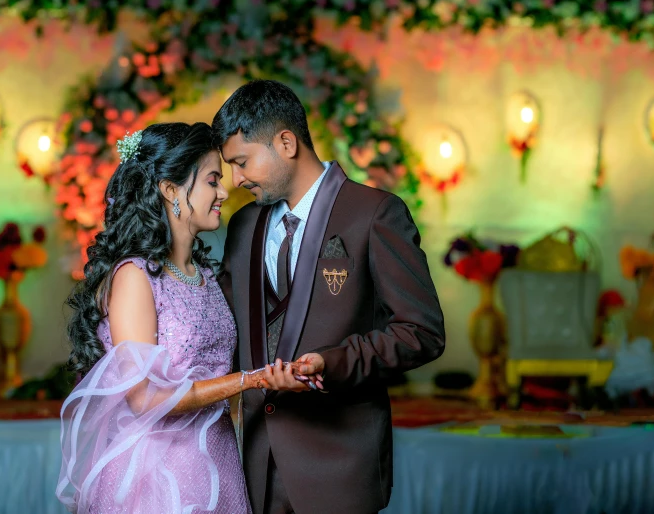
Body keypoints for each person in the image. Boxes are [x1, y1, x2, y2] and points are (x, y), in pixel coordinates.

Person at [213, 79, 446, 514]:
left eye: (242, 162)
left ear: (286, 142)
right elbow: (226, 323)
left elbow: (422, 332)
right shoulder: (243, 226)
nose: (235, 180)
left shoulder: (375, 213)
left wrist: (332, 363)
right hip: (254, 469)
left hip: (340, 465)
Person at [57, 122, 274, 513]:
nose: (224, 192)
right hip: (158, 476)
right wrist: (248, 380)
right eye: (212, 180)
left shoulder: (205, 275)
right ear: (171, 190)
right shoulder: (133, 276)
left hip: (219, 459)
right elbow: (143, 398)